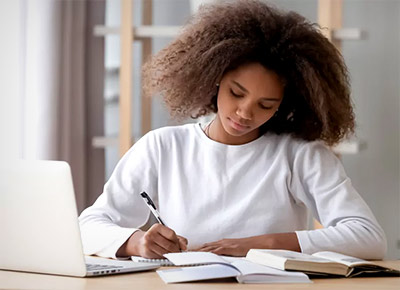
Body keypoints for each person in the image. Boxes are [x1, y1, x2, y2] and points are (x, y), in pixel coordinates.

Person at [79, 0, 387, 260]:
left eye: (265, 105)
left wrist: (261, 244)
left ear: (285, 104)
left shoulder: (299, 154)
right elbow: (87, 227)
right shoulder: (162, 147)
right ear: (214, 78)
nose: (244, 113)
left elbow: (369, 237)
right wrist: (138, 242)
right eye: (236, 93)